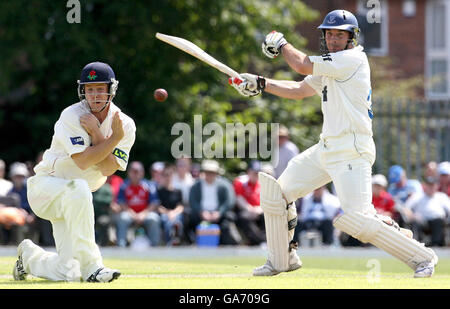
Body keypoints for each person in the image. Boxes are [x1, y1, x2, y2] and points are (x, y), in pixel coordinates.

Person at [229, 9, 437, 277]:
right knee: (277, 194)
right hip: (326, 148)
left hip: (351, 150)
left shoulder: (351, 60)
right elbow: (299, 90)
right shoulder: (330, 65)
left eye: (340, 35)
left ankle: (423, 257)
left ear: (352, 38)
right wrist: (260, 82)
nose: (334, 39)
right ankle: (282, 259)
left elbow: (301, 64)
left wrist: (281, 43)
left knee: (358, 219)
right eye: (329, 34)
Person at [13, 61, 136, 283]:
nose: (95, 95)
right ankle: (93, 268)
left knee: (68, 272)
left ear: (111, 89)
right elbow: (83, 161)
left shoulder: (124, 125)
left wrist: (103, 135)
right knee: (79, 187)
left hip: (75, 200)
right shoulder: (71, 116)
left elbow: (108, 168)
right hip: (45, 188)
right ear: (82, 91)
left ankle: (28, 258)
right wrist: (110, 140)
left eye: (100, 88)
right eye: (90, 90)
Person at [189, 160, 241, 245]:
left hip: (219, 215)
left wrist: (219, 212)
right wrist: (201, 212)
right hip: (200, 215)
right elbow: (192, 201)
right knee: (190, 219)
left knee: (227, 223)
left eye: (212, 173)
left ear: (216, 173)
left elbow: (230, 201)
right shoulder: (196, 186)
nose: (210, 175)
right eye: (207, 172)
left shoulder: (224, 185)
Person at [115, 161, 160, 247]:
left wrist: (143, 214)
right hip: (129, 213)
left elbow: (154, 203)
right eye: (133, 171)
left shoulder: (149, 185)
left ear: (142, 173)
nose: (136, 174)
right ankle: (121, 245)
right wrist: (133, 214)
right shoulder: (123, 186)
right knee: (122, 218)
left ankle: (154, 246)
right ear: (129, 173)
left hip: (145, 214)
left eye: (138, 171)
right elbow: (122, 203)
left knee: (154, 218)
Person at [404, 176, 450, 247]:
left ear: (436, 186)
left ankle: (436, 245)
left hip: (438, 221)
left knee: (438, 221)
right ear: (425, 186)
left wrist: (447, 220)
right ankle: (416, 245)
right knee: (415, 222)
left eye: (433, 185)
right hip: (422, 221)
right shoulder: (417, 196)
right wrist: (412, 216)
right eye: (429, 185)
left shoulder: (442, 197)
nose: (431, 187)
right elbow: (406, 208)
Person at [233, 160, 265, 246]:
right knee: (244, 217)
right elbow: (239, 199)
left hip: (260, 210)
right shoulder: (241, 181)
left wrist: (259, 209)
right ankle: (260, 241)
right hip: (245, 209)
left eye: (258, 172)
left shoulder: (263, 183)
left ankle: (264, 241)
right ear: (248, 172)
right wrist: (250, 209)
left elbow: (266, 200)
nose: (256, 175)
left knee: (267, 216)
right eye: (254, 172)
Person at [158, 165, 184, 246]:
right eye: (165, 175)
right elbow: (158, 206)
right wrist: (167, 213)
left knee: (177, 221)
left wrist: (173, 213)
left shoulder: (178, 191)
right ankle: (170, 241)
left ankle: (175, 239)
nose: (167, 177)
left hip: (176, 214)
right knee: (167, 221)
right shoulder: (159, 191)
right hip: (164, 214)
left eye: (169, 174)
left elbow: (180, 206)